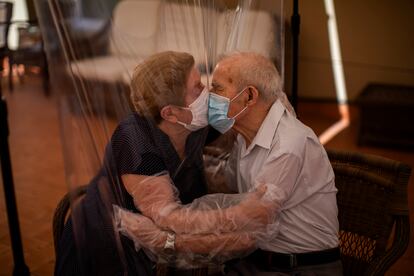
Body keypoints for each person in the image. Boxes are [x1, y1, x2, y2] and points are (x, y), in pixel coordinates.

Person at [117, 52, 342, 275]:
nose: (207, 95)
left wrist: (165, 239)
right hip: (257, 260)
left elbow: (252, 221)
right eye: (202, 86)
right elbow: (227, 181)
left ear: (249, 97)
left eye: (217, 88)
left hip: (301, 267)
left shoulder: (289, 145)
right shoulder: (243, 135)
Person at [55, 51, 273, 276]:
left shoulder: (193, 126)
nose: (206, 92)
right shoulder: (134, 140)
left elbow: (243, 109)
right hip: (109, 248)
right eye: (197, 87)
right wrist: (242, 216)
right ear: (170, 113)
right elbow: (170, 220)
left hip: (163, 251)